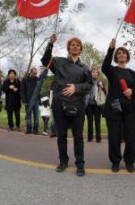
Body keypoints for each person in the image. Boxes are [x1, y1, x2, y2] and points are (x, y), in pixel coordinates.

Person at [41, 34, 92, 177]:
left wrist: (76, 87)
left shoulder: (85, 68)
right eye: (72, 44)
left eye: (77, 45)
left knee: (78, 137)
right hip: (60, 104)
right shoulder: (58, 62)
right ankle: (63, 161)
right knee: (61, 135)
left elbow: (89, 85)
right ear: (68, 48)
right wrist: (50, 44)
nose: (75, 46)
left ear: (81, 49)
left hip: (78, 105)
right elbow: (45, 61)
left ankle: (80, 164)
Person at [102, 39, 135, 173]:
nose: (121, 55)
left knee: (130, 138)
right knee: (114, 137)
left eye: (124, 53)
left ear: (127, 57)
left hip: (129, 110)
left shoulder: (132, 73)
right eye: (119, 53)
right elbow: (104, 67)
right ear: (116, 57)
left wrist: (132, 91)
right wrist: (111, 49)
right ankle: (115, 161)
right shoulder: (112, 71)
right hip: (114, 109)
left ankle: (129, 162)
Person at [85, 68, 105, 143]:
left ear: (98, 74)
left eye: (97, 72)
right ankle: (90, 138)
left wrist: (102, 87)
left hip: (97, 105)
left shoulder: (100, 82)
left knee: (97, 122)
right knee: (89, 122)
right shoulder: (88, 82)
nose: (95, 73)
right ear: (91, 73)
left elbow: (105, 93)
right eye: (93, 72)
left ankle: (98, 138)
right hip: (89, 105)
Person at [21, 67, 39, 134]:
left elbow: (39, 90)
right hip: (28, 100)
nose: (35, 74)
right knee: (28, 115)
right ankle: (29, 129)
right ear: (31, 72)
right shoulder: (25, 80)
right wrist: (24, 100)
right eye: (34, 73)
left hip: (36, 100)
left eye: (36, 73)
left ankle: (36, 130)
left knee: (36, 115)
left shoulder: (38, 80)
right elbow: (22, 90)